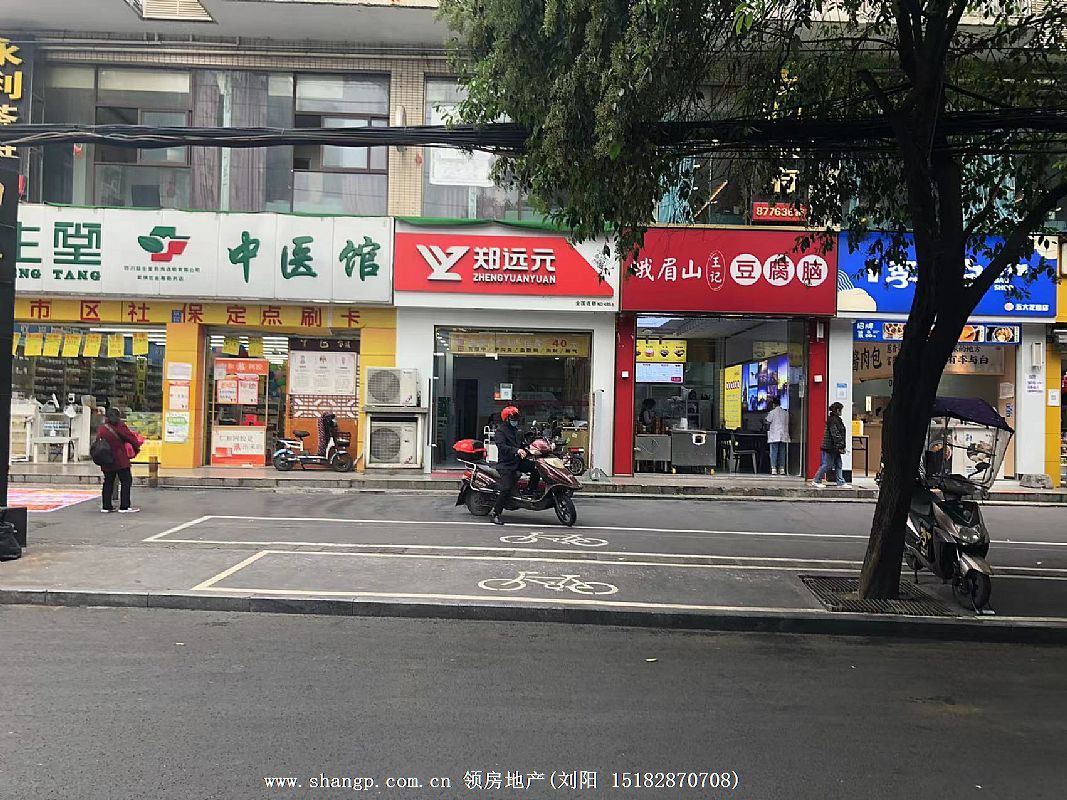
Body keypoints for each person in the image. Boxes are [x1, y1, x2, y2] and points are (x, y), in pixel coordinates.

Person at [97, 407, 142, 513]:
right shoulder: (120, 426)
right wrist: (136, 448)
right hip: (120, 459)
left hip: (106, 459)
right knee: (126, 481)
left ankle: (106, 506)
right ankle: (124, 506)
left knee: (108, 481)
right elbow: (132, 439)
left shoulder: (102, 428)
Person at [490, 406, 528, 526]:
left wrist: (530, 448)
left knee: (535, 468)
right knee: (506, 488)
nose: (515, 421)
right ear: (506, 419)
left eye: (516, 418)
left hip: (517, 462)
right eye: (513, 419)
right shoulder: (500, 432)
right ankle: (495, 513)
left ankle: (530, 492)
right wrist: (516, 450)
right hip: (505, 464)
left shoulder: (517, 430)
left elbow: (523, 444)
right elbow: (501, 446)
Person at [811, 402, 849, 488]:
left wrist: (841, 445)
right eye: (841, 410)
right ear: (838, 410)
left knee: (838, 464)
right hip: (830, 447)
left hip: (834, 447)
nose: (841, 412)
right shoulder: (833, 421)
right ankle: (816, 480)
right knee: (827, 465)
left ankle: (840, 482)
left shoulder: (835, 420)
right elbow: (835, 434)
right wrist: (841, 445)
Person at [765, 397, 790, 475]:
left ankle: (774, 468)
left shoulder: (772, 412)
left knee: (774, 452)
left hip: (774, 435)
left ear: (773, 404)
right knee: (782, 452)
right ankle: (782, 469)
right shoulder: (786, 413)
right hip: (784, 434)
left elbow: (767, 421)